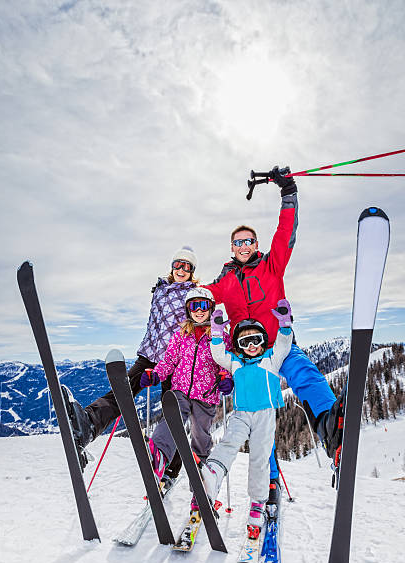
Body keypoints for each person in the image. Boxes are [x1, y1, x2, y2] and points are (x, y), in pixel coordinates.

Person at [204, 166, 344, 495]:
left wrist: (288, 192)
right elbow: (202, 295)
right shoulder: (224, 282)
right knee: (256, 415)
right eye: (238, 242)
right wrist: (178, 288)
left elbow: (286, 233)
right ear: (232, 248)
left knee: (306, 375)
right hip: (249, 357)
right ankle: (267, 482)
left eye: (249, 241)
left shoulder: (271, 265)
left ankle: (332, 430)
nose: (244, 245)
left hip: (278, 346)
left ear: (255, 244)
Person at [63, 245, 199, 478]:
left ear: (192, 271)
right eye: (178, 264)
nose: (181, 269)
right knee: (121, 392)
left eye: (187, 266)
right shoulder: (160, 290)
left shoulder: (194, 294)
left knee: (172, 414)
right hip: (148, 354)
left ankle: (171, 467)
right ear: (172, 267)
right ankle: (90, 423)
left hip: (175, 359)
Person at [201, 301, 293, 534]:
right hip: (241, 414)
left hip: (265, 415)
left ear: (263, 342)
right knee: (230, 441)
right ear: (239, 346)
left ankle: (257, 503)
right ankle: (214, 472)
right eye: (245, 342)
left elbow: (283, 344)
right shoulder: (235, 362)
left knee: (260, 458)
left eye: (256, 340)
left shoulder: (271, 360)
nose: (251, 345)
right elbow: (218, 353)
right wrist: (218, 332)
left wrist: (284, 324)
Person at [139, 287, 233, 511]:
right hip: (180, 390)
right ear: (188, 310)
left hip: (206, 395)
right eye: (194, 306)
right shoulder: (181, 335)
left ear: (210, 309)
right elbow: (169, 361)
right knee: (172, 421)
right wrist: (156, 374)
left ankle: (200, 489)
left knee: (201, 438)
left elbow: (226, 363)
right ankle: (160, 455)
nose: (199, 311)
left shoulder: (220, 335)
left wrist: (226, 379)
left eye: (203, 306)